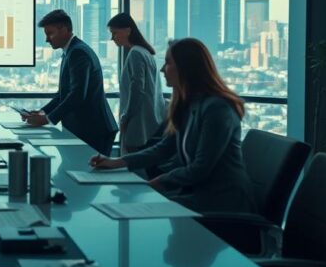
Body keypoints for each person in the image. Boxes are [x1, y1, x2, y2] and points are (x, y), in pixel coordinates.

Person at [90, 38, 257, 214]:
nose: (162, 69)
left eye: (168, 63)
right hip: (195, 195)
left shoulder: (217, 108)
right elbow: (163, 148)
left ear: (186, 68)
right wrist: (117, 162)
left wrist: (155, 184)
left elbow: (200, 168)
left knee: (137, 212)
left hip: (223, 202)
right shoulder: (188, 105)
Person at [23, 9, 118, 155]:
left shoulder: (77, 53)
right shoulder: (70, 51)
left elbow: (77, 95)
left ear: (64, 29)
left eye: (50, 33)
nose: (47, 39)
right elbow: (63, 94)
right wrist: (42, 112)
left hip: (93, 130)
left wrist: (47, 119)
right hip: (86, 128)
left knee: (89, 174)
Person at [108, 12, 166, 155]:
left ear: (128, 30)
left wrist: (125, 117)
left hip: (137, 122)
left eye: (115, 33)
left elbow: (137, 89)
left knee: (134, 165)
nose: (112, 38)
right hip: (150, 121)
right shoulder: (146, 53)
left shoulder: (135, 53)